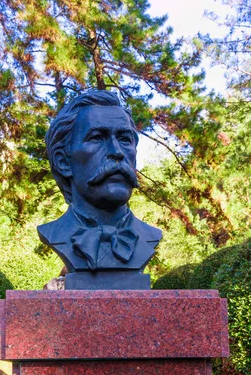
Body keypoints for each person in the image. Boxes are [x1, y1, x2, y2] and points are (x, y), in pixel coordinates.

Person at [37, 90, 162, 288]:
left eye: (124, 139)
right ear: (63, 161)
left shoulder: (151, 236)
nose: (117, 152)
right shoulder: (54, 234)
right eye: (97, 138)